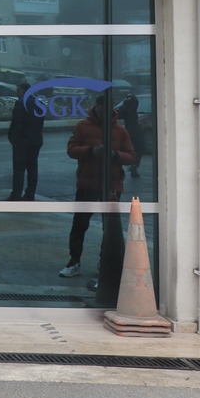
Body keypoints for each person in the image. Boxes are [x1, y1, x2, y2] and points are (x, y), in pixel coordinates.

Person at [59, 94, 134, 298]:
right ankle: (74, 261)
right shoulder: (83, 126)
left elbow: (131, 156)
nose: (103, 113)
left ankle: (105, 263)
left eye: (107, 110)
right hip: (87, 184)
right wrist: (92, 151)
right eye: (101, 110)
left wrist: (115, 155)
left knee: (110, 227)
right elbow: (71, 149)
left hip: (111, 185)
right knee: (79, 223)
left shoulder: (120, 130)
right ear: (96, 107)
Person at [6, 83, 45, 200]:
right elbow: (40, 123)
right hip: (36, 140)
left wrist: (13, 139)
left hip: (22, 142)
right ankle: (30, 194)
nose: (16, 92)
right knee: (32, 169)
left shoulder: (20, 103)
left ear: (23, 91)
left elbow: (16, 124)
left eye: (18, 90)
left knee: (19, 169)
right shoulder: (39, 103)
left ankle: (16, 194)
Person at [118, 93, 144, 179]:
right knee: (136, 148)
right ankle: (134, 165)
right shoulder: (130, 109)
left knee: (135, 148)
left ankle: (133, 165)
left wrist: (125, 103)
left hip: (130, 129)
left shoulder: (126, 108)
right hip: (133, 129)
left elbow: (122, 112)